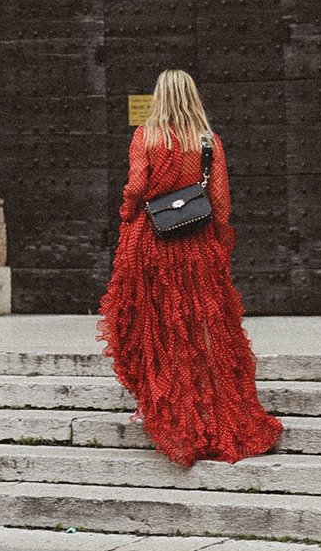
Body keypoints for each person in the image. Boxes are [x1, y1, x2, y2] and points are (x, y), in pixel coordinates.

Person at [98, 68, 283, 467]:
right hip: (196, 246)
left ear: (160, 97)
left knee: (160, 330)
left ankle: (176, 417)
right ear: (192, 97)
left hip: (152, 243)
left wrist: (128, 213)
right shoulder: (208, 141)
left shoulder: (145, 137)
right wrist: (217, 240)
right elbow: (220, 201)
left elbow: (135, 187)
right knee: (202, 332)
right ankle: (211, 416)